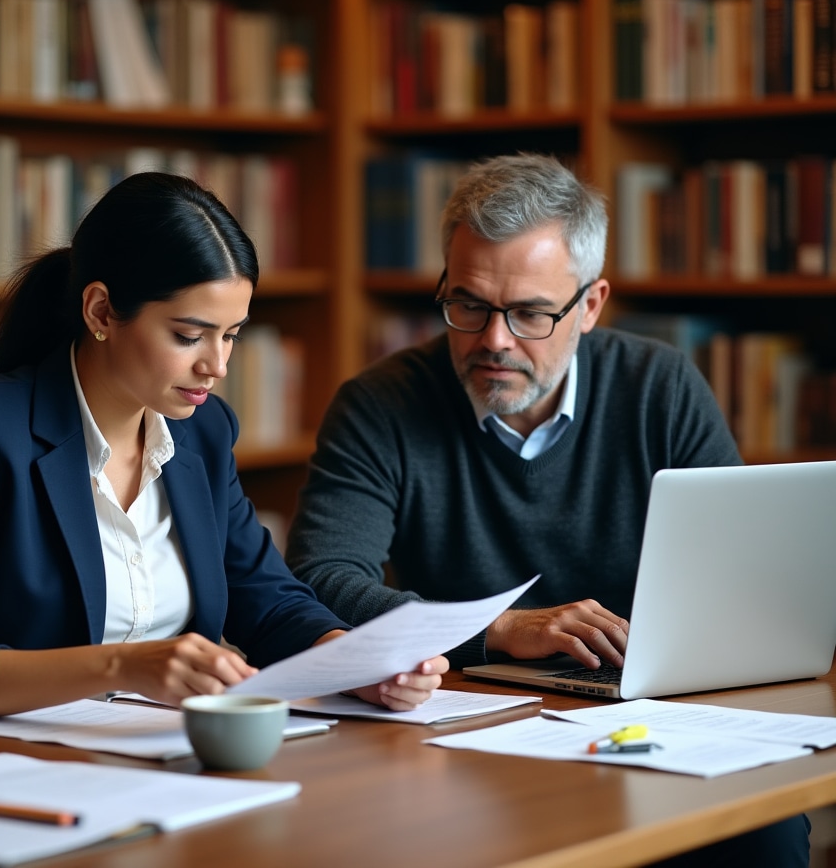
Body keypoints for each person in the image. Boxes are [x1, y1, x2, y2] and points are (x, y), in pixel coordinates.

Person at [285, 153, 809, 866]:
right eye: (468, 304)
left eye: (530, 312)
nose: (494, 340)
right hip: (460, 722)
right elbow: (318, 582)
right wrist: (498, 630)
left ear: (589, 306)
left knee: (764, 834)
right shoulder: (380, 405)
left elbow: (740, 587)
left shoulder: (660, 389)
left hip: (648, 718)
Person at [0, 173, 446, 734]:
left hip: (152, 757)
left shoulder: (202, 431)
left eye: (232, 335)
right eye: (189, 336)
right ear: (101, 312)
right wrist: (123, 665)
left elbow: (265, 600)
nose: (216, 365)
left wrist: (356, 663)